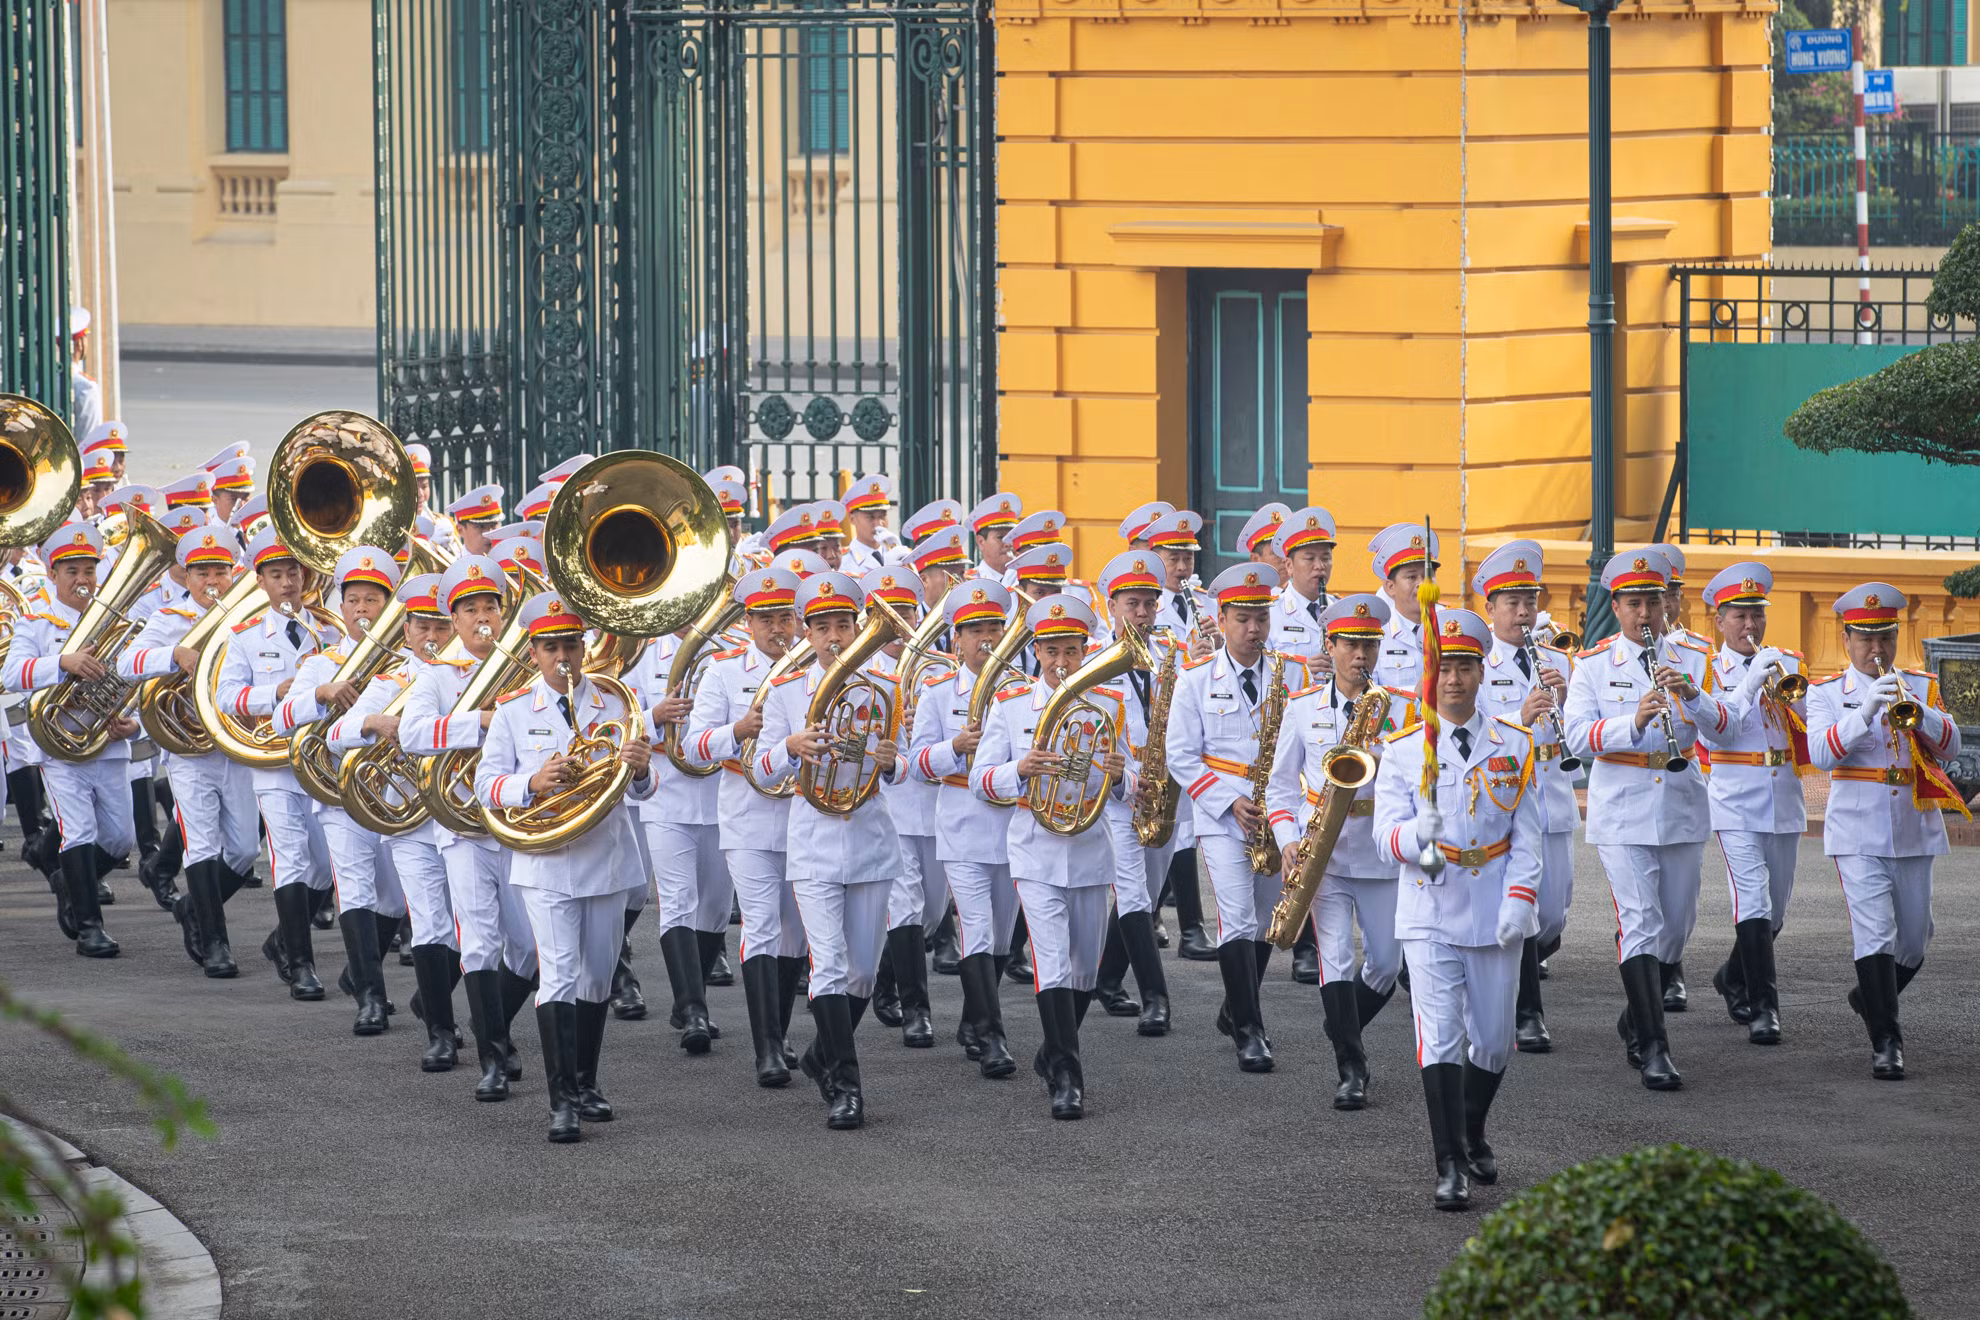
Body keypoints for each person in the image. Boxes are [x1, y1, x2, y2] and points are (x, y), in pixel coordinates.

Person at [1371, 607, 1542, 1212]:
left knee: (1492, 1043)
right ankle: (1448, 1164)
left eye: (1466, 667)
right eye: (1443, 668)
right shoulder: (1402, 749)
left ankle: (1471, 1129)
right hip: (1429, 907)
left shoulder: (1514, 745)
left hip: (1495, 907)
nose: (1454, 680)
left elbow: (1530, 833)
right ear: (1429, 673)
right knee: (1440, 1036)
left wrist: (1522, 900)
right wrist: (1416, 836)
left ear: (1481, 675)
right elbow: (1382, 836)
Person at [476, 590, 657, 1143]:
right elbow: (485, 786)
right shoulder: (510, 711)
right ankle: (561, 1103)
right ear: (533, 652)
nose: (562, 658)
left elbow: (642, 792)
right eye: (551, 647)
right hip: (547, 861)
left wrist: (643, 770)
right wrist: (531, 783)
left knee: (598, 975)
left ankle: (585, 1082)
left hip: (605, 856)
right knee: (557, 972)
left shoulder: (614, 703)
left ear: (584, 648)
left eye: (571, 646)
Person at [1562, 548, 1727, 1092]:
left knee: (1675, 928)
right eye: (1633, 604)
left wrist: (1694, 697)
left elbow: (1724, 729)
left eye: (1652, 603)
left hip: (1680, 801)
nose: (1644, 615)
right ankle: (1655, 1048)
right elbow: (1577, 736)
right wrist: (1629, 721)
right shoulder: (1591, 664)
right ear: (1617, 606)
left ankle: (1637, 1016)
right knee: (1641, 922)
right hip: (1623, 804)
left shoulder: (1698, 656)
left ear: (1666, 605)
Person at [754, 571, 911, 1129]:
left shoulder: (886, 685)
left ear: (858, 625)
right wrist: (789, 748)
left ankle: (822, 1051)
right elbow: (758, 765)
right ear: (807, 631)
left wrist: (894, 761)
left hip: (868, 835)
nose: (835, 636)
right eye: (823, 627)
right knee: (829, 965)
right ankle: (847, 1087)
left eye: (844, 624)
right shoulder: (785, 689)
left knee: (863, 974)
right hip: (815, 839)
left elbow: (907, 764)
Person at [973, 593, 1128, 1119]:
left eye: (1071, 649)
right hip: (1035, 851)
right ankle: (1067, 1075)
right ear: (1035, 652)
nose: (1061, 661)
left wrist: (1119, 773)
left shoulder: (1108, 704)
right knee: (1054, 964)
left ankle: (1050, 1052)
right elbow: (980, 781)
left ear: (1086, 649)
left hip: (1088, 850)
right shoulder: (1012, 703)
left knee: (1085, 968)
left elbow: (1134, 786)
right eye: (1051, 651)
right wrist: (1019, 770)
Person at [1806, 582, 1963, 1081]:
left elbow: (1953, 745)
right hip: (1857, 827)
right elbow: (1822, 754)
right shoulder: (1827, 693)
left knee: (1915, 940)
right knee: (1875, 931)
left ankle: (1869, 997)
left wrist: (1921, 714)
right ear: (1847, 637)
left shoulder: (1919, 685)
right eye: (1866, 639)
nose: (1877, 650)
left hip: (1913, 825)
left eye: (1886, 638)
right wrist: (1867, 712)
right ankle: (1887, 1042)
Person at [401, 553, 541, 1102]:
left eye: (492, 608)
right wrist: (478, 721)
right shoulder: (437, 675)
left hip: (517, 819)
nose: (483, 619)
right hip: (461, 824)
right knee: (480, 942)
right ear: (453, 620)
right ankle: (493, 1058)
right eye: (471, 610)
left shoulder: (526, 672)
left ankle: (492, 1031)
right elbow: (413, 733)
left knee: (528, 949)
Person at [1267, 593, 1416, 1109]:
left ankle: (1339, 1025)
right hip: (1322, 852)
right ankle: (1351, 1067)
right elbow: (1280, 787)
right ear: (1330, 645)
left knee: (1384, 964)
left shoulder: (1400, 709)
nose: (1360, 656)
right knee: (1333, 958)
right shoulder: (1302, 707)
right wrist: (1288, 840)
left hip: (1377, 850)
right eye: (1351, 644)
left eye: (1369, 646)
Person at [1166, 563, 1309, 1073]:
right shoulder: (1195, 679)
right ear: (1221, 619)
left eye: (1262, 618)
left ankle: (1234, 1007)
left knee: (1268, 922)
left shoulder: (1292, 673)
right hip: (1223, 816)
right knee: (1238, 917)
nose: (1254, 629)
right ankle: (1250, 1030)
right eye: (1244, 618)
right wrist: (1228, 801)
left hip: (1278, 813)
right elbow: (1180, 756)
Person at [326, 570, 466, 1071]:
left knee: (473, 927)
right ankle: (441, 1033)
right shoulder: (390, 680)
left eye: (440, 627)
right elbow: (335, 735)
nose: (431, 638)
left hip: (466, 811)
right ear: (404, 631)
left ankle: (434, 1002)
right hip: (410, 815)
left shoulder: (475, 676)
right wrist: (372, 721)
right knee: (430, 921)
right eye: (420, 627)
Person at [682, 565, 810, 1087]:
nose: (778, 629)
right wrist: (736, 730)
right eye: (768, 619)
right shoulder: (724, 672)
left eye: (786, 617)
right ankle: (767, 1049)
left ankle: (777, 1033)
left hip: (804, 813)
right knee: (761, 924)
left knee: (796, 933)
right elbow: (693, 745)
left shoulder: (814, 669)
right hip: (748, 813)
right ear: (749, 623)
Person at [273, 546, 408, 1037]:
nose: (361, 609)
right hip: (337, 790)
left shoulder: (410, 659)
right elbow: (280, 718)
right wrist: (320, 694)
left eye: (372, 599)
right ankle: (372, 996)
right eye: (352, 600)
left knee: (394, 897)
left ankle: (358, 973)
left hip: (396, 792)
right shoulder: (322, 659)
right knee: (355, 887)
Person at [118, 527, 260, 976]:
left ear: (233, 573)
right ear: (188, 577)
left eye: (220, 571)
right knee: (202, 844)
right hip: (188, 749)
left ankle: (193, 911)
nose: (211, 581)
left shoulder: (244, 617)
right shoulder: (168, 617)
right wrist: (173, 653)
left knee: (242, 850)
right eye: (202, 573)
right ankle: (217, 945)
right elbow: (126, 663)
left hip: (233, 743)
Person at [4, 522, 138, 957]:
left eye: (88, 571)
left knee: (119, 839)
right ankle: (89, 927)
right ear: (53, 574)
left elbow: (132, 676)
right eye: (72, 572)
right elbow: (11, 673)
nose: (82, 580)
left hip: (108, 742)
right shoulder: (38, 621)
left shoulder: (111, 619)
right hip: (60, 748)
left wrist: (129, 719)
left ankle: (65, 875)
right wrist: (63, 662)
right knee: (78, 830)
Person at [909, 578, 1025, 1075]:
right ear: (955, 640)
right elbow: (915, 764)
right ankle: (994, 1039)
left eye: (994, 630)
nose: (986, 641)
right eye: (974, 631)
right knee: (975, 929)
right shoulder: (937, 691)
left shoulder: (1023, 688)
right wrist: (954, 747)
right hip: (961, 822)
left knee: (1001, 937)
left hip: (1016, 822)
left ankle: (975, 1017)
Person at [1692, 562, 1807, 1047]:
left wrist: (1788, 688)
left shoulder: (1788, 662)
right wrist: (1748, 682)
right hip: (1735, 797)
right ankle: (1766, 1009)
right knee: (1754, 901)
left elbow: (1807, 722)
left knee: (1776, 910)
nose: (1750, 626)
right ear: (1719, 620)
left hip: (1783, 794)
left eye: (1757, 614)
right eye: (1739, 615)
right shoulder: (1706, 670)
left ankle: (1732, 976)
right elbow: (1719, 730)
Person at [1469, 541, 1576, 1054]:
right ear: (1488, 609)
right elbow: (1479, 734)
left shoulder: (1558, 661)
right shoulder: (1476, 664)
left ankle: (1510, 968)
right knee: (1527, 910)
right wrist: (1524, 719)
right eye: (1510, 602)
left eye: (1529, 600)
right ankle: (1526, 1012)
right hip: (1503, 803)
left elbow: (1578, 730)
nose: (1523, 611)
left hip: (1551, 798)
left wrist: (1565, 704)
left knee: (1553, 916)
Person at [626, 598, 737, 1051]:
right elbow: (619, 724)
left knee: (714, 908)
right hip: (665, 789)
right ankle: (693, 1010)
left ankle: (692, 999)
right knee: (677, 901)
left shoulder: (732, 652)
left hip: (721, 794)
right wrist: (655, 717)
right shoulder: (641, 653)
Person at [1088, 551, 1181, 1036]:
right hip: (1119, 791)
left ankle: (1106, 980)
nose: (1142, 614)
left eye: (1149, 604)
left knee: (1144, 892)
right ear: (1112, 606)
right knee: (1131, 886)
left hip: (1163, 790)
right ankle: (1155, 997)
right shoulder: (1091, 661)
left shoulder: (1172, 655)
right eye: (1132, 604)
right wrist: (1127, 778)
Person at [1368, 523, 1437, 692]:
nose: (1422, 584)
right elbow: (1368, 698)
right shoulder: (1376, 634)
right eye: (1412, 577)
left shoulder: (1450, 626)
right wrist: (1416, 694)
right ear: (1390, 587)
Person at [842, 473, 895, 577]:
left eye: (882, 516)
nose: (879, 523)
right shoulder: (843, 561)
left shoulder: (897, 555)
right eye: (870, 517)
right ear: (852, 519)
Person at [967, 494, 1021, 581]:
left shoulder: (1025, 580)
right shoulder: (969, 582)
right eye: (1000, 537)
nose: (1008, 544)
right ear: (981, 542)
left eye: (1011, 537)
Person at [445, 486, 505, 557]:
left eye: (494, 525)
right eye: (481, 526)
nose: (489, 533)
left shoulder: (509, 564)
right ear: (460, 530)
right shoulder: (452, 565)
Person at [1241, 503, 1292, 586]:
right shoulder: (1250, 598)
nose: (1284, 559)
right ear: (1255, 559)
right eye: (1276, 553)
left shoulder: (1311, 597)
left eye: (1287, 551)